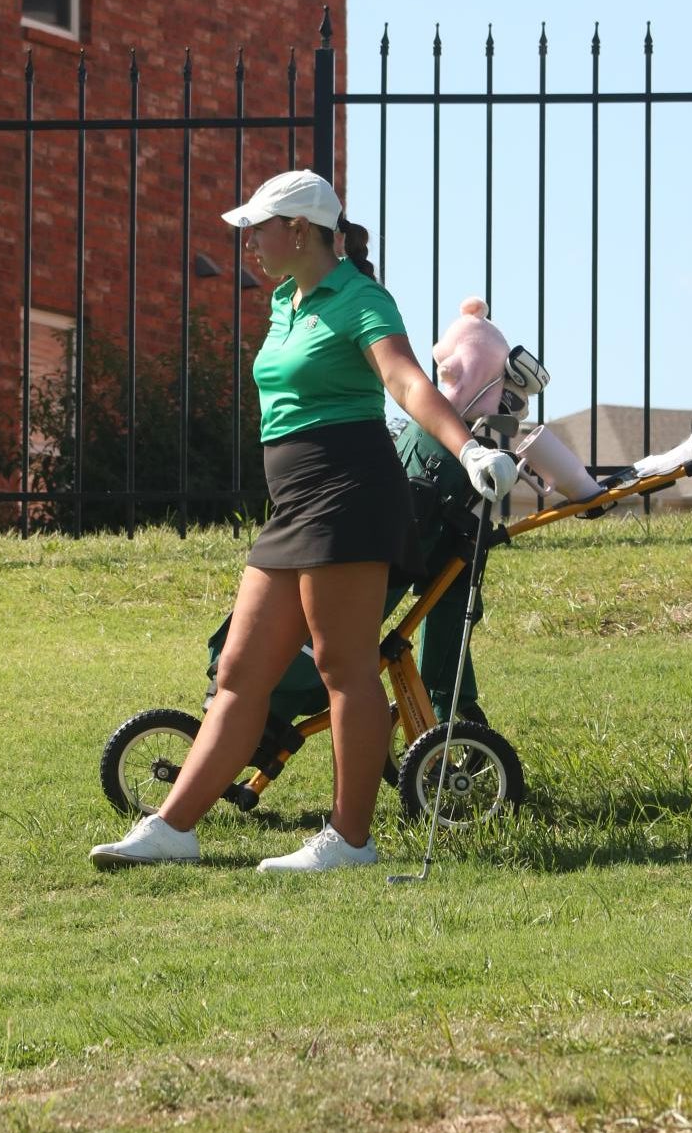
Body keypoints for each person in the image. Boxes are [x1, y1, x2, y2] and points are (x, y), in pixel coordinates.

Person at [90, 169, 516, 875]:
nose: (250, 242)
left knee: (344, 668)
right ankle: (174, 828)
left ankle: (350, 839)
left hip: (349, 490)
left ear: (298, 229)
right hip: (295, 504)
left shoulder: (361, 297)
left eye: (258, 227)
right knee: (239, 670)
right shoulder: (286, 302)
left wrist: (467, 447)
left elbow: (406, 380)